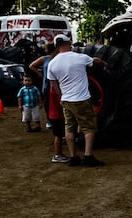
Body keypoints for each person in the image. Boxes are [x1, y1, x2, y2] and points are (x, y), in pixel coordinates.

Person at [43, 35, 107, 166]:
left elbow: (53, 84)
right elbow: (94, 61)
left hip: (66, 100)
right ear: (68, 43)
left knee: (69, 128)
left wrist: (61, 96)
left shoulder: (52, 64)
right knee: (89, 128)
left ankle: (73, 157)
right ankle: (88, 156)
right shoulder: (79, 57)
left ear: (56, 46)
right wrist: (104, 64)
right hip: (82, 99)